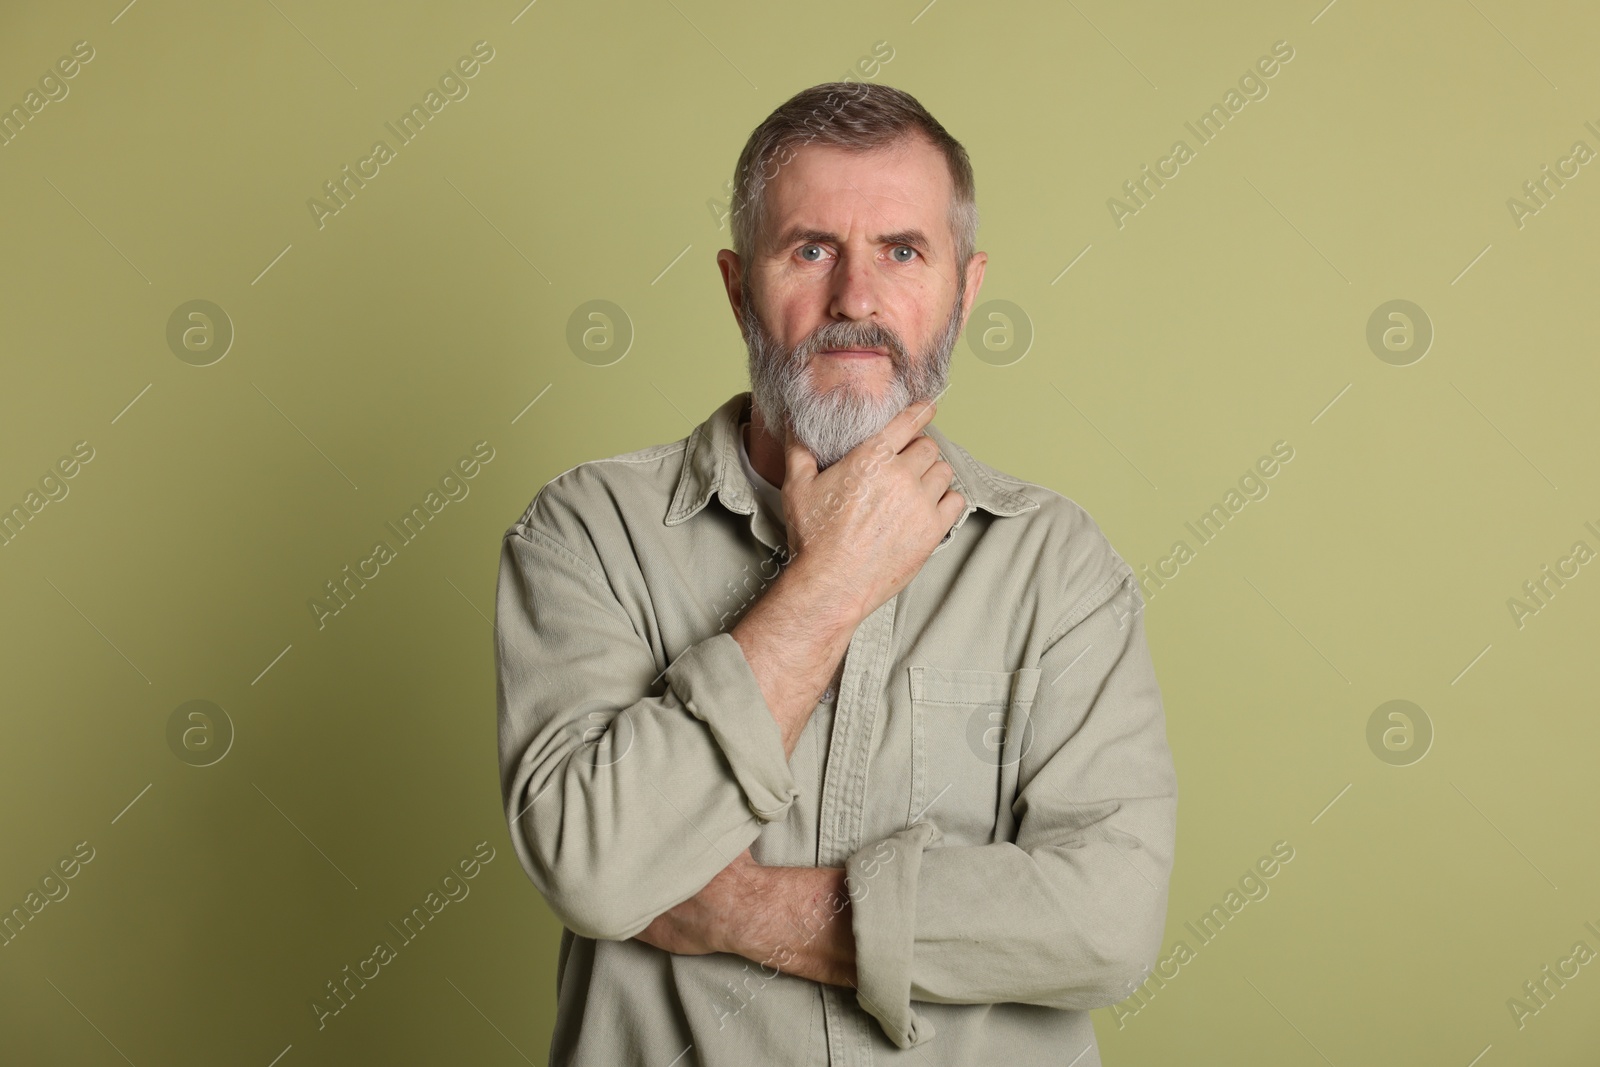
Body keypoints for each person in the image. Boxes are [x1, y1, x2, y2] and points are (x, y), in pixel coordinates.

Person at [495, 80, 1178, 1066]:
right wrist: (835, 578)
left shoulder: (1058, 566)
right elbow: (598, 866)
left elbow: (1106, 921)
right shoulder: (584, 533)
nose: (854, 298)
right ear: (737, 288)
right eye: (810, 249)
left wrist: (737, 906)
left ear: (965, 289)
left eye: (902, 251)